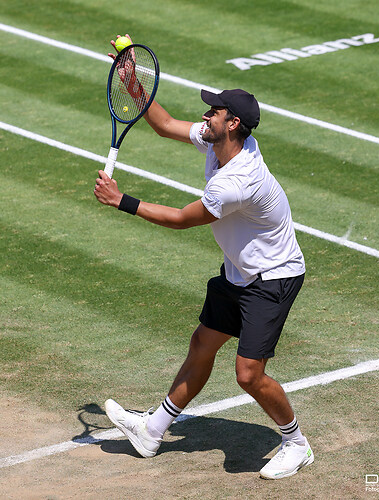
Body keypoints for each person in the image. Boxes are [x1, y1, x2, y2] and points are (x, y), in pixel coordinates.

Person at [93, 35, 314, 480]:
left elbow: (180, 218)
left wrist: (123, 201)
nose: (203, 115)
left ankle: (296, 443)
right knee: (203, 344)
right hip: (239, 270)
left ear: (231, 124)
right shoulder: (221, 142)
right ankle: (152, 431)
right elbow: (163, 123)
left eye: (212, 110)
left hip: (272, 277)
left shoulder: (238, 180)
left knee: (249, 375)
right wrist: (132, 78)